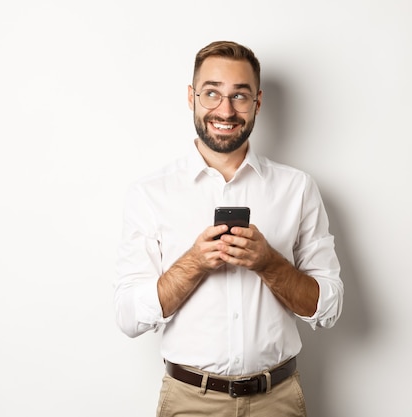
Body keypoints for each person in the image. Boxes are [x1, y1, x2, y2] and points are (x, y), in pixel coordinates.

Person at [114, 40, 344, 417]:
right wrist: (194, 263)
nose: (225, 109)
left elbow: (329, 308)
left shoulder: (297, 189)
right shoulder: (150, 194)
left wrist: (268, 263)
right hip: (190, 402)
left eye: (240, 96)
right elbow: (128, 316)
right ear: (192, 97)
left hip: (278, 400)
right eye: (212, 93)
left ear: (258, 102)